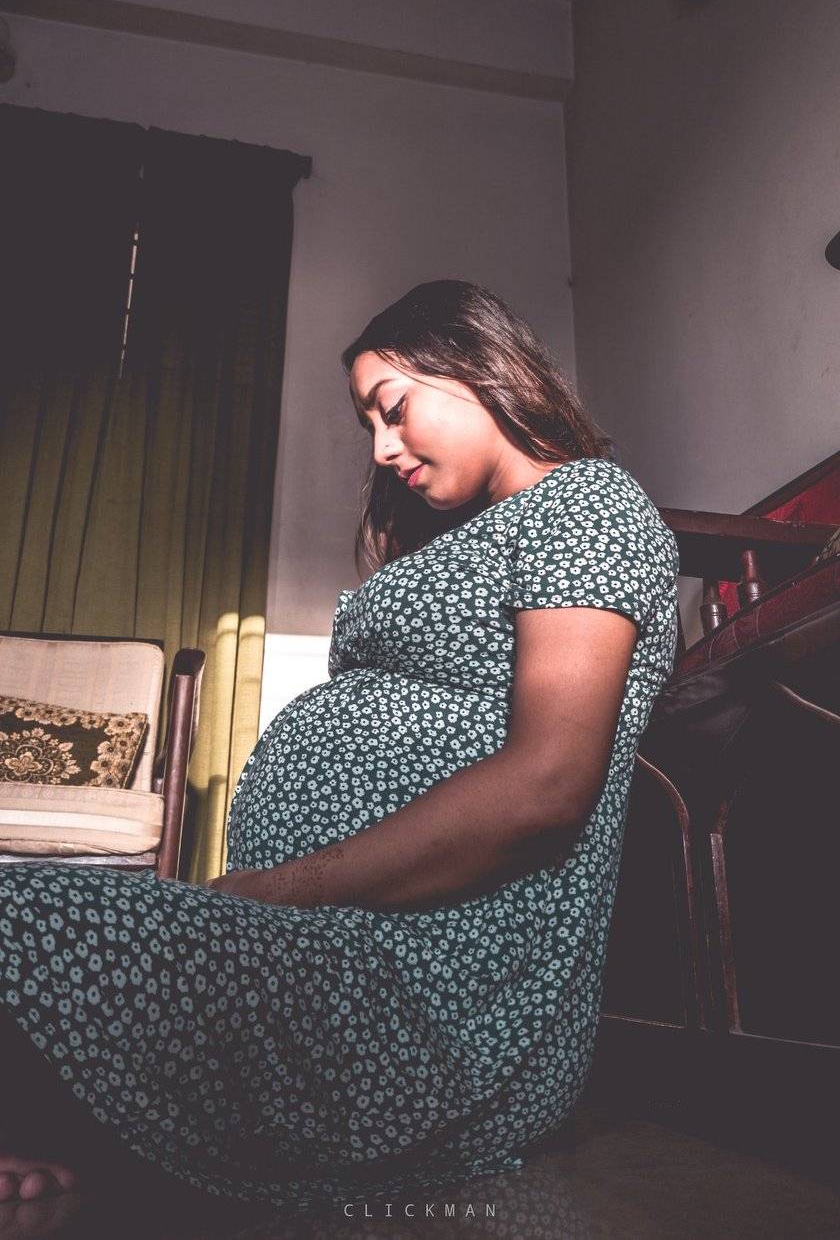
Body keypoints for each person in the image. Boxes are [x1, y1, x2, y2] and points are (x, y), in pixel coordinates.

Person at [0, 279, 679, 1219]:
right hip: (327, 944)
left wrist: (271, 890)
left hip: (428, 995)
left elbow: (548, 784)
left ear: (479, 368)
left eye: (392, 409)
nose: (382, 449)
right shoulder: (468, 534)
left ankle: (62, 1141)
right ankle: (60, 1141)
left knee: (24, 916)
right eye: (370, 425)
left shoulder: (586, 504)